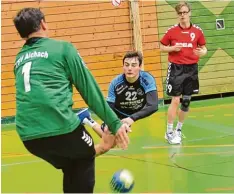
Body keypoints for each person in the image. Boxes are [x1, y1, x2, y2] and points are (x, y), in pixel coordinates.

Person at [13, 8, 130, 193]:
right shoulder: (62, 49)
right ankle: (104, 145)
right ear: (43, 23)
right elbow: (89, 89)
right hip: (61, 128)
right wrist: (115, 124)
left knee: (72, 163)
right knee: (84, 156)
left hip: (28, 137)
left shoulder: (19, 58)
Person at [77, 51, 159, 138]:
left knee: (116, 137)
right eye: (126, 65)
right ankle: (88, 120)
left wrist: (131, 118)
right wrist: (110, 122)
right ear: (123, 66)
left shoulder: (147, 79)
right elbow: (109, 106)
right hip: (118, 113)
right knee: (109, 138)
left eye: (134, 65)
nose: (129, 68)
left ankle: (87, 119)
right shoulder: (116, 83)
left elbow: (153, 105)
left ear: (139, 67)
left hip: (134, 114)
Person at [160, 1, 207, 144]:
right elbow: (162, 47)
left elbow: (204, 48)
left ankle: (178, 129)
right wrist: (172, 48)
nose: (183, 16)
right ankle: (168, 131)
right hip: (176, 68)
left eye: (185, 12)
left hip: (191, 69)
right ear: (177, 15)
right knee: (175, 99)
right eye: (180, 13)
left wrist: (202, 52)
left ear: (189, 13)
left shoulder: (197, 31)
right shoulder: (172, 31)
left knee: (186, 102)